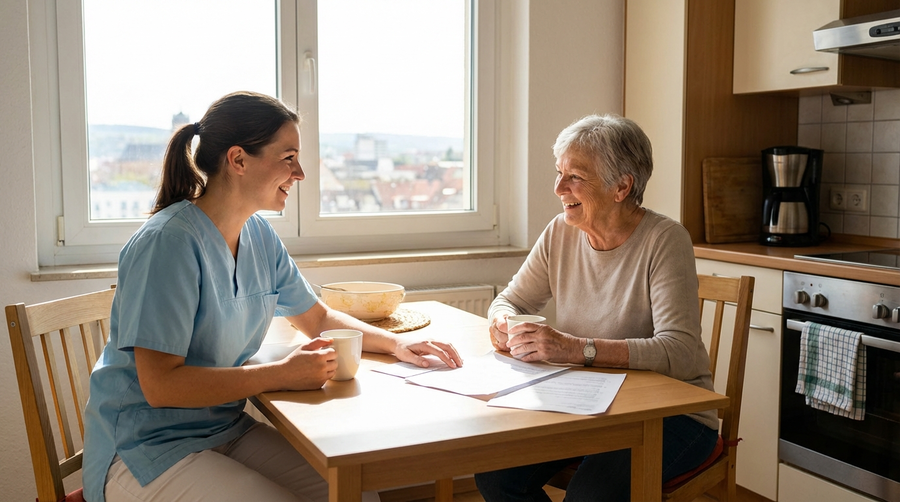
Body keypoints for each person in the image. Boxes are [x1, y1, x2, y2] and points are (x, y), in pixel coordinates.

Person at [82, 91, 463, 502]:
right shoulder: (167, 243)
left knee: (355, 493)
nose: (299, 173)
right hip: (144, 450)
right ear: (239, 160)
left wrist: (397, 343)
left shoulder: (259, 235)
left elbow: (317, 319)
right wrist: (281, 373)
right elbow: (161, 387)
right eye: (288, 157)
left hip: (222, 429)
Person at [474, 114, 718, 502]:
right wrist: (501, 321)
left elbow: (679, 350)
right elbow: (512, 299)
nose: (558, 188)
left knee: (591, 495)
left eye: (575, 177)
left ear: (622, 186)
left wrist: (574, 348)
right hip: (588, 403)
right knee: (494, 470)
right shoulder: (560, 231)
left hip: (670, 414)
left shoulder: (665, 240)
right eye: (559, 172)